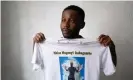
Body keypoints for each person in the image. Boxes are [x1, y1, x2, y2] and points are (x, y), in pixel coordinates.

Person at [33, 5, 117, 67]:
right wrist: (37, 43)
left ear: (82, 25)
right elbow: (37, 61)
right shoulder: (49, 46)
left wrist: (110, 47)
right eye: (63, 20)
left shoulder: (95, 47)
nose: (66, 25)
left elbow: (111, 66)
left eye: (71, 21)